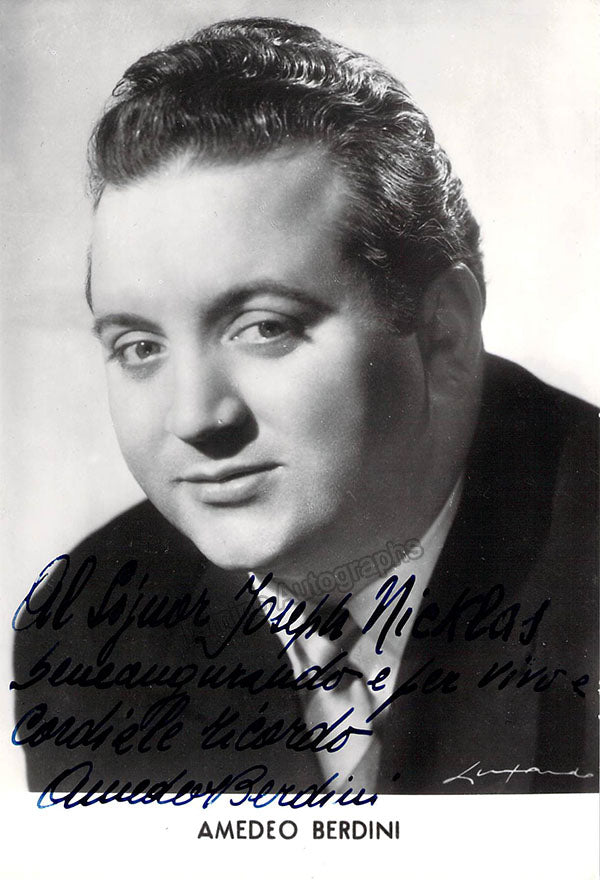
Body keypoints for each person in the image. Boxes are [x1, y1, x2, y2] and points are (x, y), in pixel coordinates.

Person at [12, 17, 597, 801]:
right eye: (140, 346)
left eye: (264, 328)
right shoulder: (89, 633)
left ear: (444, 335)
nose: (195, 417)